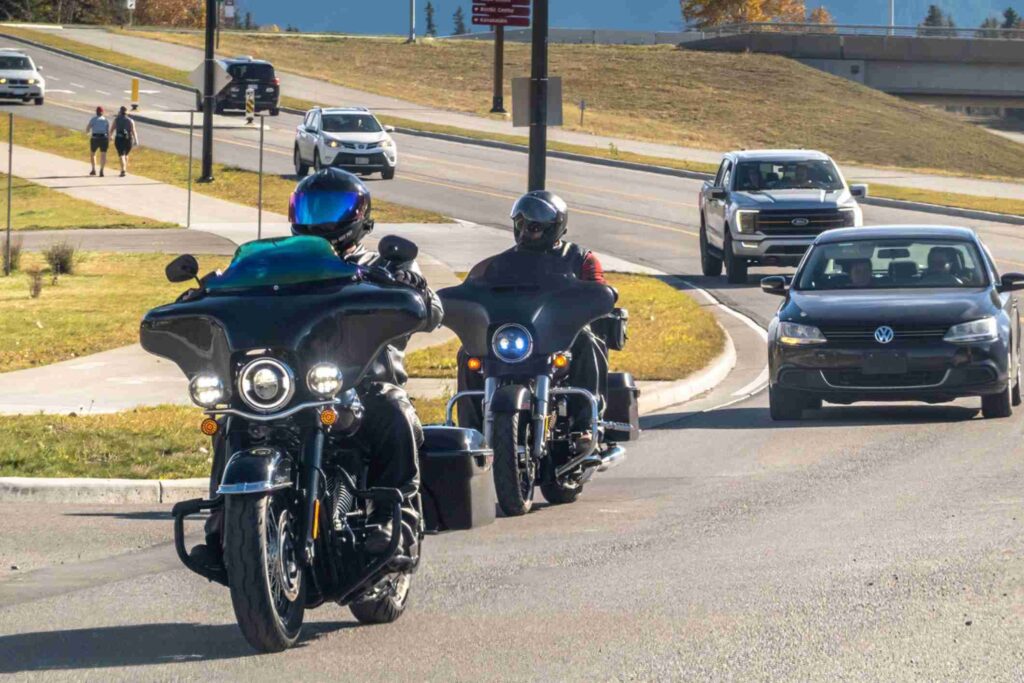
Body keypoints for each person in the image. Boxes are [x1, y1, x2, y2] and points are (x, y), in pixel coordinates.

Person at [188, 169, 442, 569]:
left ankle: (398, 526)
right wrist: (208, 289)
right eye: (311, 207)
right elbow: (238, 286)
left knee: (395, 413)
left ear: (360, 216)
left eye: (333, 208)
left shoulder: (378, 265)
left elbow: (433, 309)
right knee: (230, 419)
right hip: (291, 383)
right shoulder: (280, 266)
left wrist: (412, 285)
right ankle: (223, 522)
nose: (321, 219)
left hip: (363, 381)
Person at [456, 191, 609, 452]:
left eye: (534, 227)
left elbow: (598, 293)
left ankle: (584, 424)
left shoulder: (580, 259)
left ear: (554, 228)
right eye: (520, 224)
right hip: (512, 339)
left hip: (559, 336)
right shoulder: (496, 265)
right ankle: (469, 431)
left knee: (586, 339)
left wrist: (597, 299)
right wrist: (451, 304)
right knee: (468, 353)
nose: (525, 232)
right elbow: (470, 291)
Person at [113, 106, 139, 178]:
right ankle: (125, 168)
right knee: (126, 154)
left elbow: (112, 129)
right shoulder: (130, 121)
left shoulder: (116, 120)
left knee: (121, 155)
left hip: (119, 139)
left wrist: (110, 136)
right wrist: (136, 140)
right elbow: (133, 131)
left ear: (120, 112)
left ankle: (123, 170)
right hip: (128, 139)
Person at [85, 106, 109, 177]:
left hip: (95, 137)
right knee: (103, 154)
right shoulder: (105, 120)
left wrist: (88, 132)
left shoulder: (93, 119)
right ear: (102, 112)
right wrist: (109, 137)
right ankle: (101, 170)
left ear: (96, 112)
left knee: (93, 153)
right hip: (104, 138)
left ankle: (93, 169)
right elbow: (107, 130)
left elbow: (88, 128)